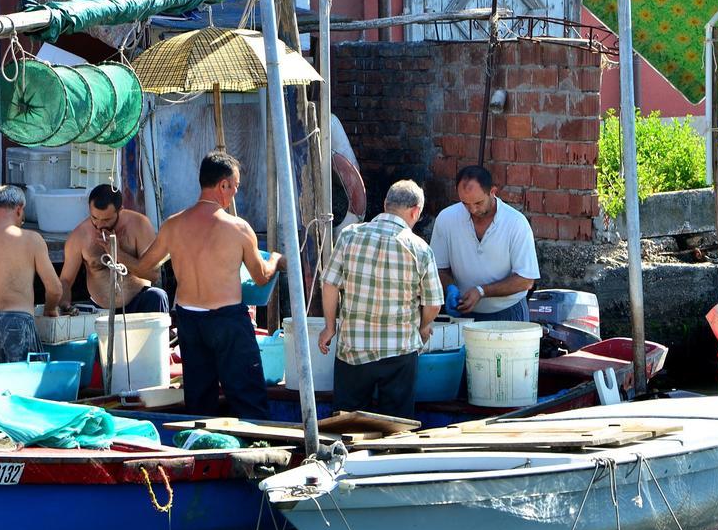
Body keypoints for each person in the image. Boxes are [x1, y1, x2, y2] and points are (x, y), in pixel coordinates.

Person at [127, 152, 281, 420]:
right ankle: (259, 455)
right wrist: (277, 260)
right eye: (235, 186)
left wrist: (114, 254)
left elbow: (142, 267)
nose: (234, 193)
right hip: (228, 321)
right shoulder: (239, 229)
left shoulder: (172, 225)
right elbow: (260, 277)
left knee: (199, 403)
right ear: (223, 185)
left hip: (190, 321)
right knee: (249, 399)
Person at [317, 180, 443, 418]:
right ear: (416, 211)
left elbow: (330, 283)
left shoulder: (349, 235)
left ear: (385, 204)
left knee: (347, 423)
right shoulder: (420, 248)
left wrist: (329, 327)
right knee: (396, 427)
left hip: (353, 348)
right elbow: (433, 302)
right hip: (399, 350)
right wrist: (424, 327)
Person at [0, 185, 62, 369]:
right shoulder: (32, 239)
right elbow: (55, 289)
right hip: (17, 324)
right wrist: (50, 309)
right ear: (19, 209)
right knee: (22, 390)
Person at [429, 165, 539, 321]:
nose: (472, 209)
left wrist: (482, 291)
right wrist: (450, 288)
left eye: (478, 203)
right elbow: (438, 268)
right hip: (463, 313)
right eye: (465, 203)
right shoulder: (446, 218)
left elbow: (526, 279)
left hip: (507, 312)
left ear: (492, 192)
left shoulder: (516, 223)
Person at [58, 184, 169, 314]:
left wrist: (119, 255)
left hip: (138, 300)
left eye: (106, 219)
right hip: (101, 309)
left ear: (120, 210)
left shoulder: (139, 224)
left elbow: (153, 275)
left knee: (158, 296)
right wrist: (65, 303)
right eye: (94, 218)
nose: (99, 225)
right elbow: (65, 280)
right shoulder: (79, 236)